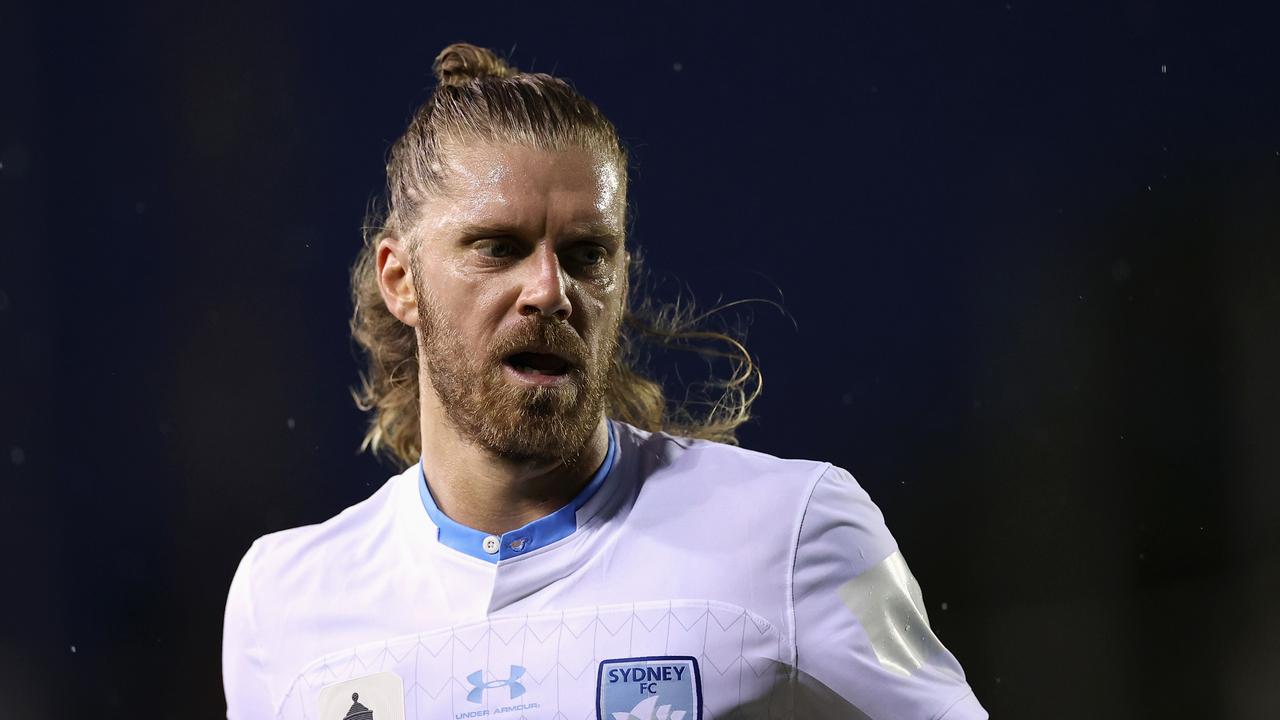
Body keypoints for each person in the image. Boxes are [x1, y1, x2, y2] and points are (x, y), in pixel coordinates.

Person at [222, 42, 987, 720]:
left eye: (588, 253)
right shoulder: (284, 603)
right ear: (402, 280)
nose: (550, 289)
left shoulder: (794, 534)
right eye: (499, 247)